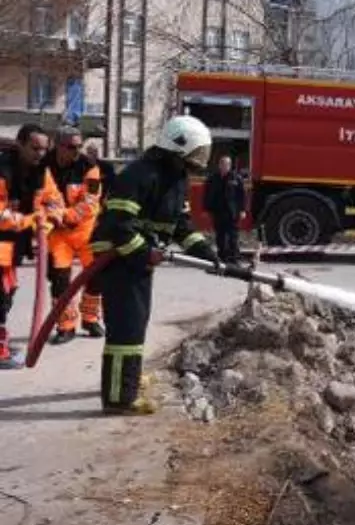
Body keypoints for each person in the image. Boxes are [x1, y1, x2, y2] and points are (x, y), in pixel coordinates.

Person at [88, 115, 221, 414]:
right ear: (178, 148)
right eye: (197, 152)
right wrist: (144, 253)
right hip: (117, 258)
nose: (201, 160)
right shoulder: (140, 175)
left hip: (136, 260)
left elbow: (181, 226)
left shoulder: (175, 180)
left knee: (136, 324)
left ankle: (128, 382)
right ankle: (120, 399)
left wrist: (207, 253)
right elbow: (117, 226)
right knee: (126, 330)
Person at [0, 124, 63, 369]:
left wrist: (47, 222)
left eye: (43, 149)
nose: (39, 154)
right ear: (20, 144)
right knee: (1, 297)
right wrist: (31, 220)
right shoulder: (3, 173)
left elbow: (55, 201)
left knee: (6, 294)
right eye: (34, 148)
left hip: (13, 247)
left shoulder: (41, 173)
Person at [45, 127, 106, 345]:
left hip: (86, 231)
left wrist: (66, 215)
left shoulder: (90, 167)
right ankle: (66, 326)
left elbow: (91, 201)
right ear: (57, 145)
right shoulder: (44, 165)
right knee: (60, 280)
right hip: (58, 234)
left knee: (96, 276)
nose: (77, 151)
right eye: (72, 147)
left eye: (79, 146)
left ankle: (90, 319)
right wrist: (53, 215)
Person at [203, 155, 246, 264]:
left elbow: (242, 196)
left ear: (230, 165)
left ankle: (235, 258)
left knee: (233, 237)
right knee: (220, 236)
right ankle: (222, 257)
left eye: (227, 164)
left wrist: (242, 210)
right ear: (219, 165)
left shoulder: (236, 178)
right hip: (218, 211)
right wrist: (206, 209)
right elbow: (207, 194)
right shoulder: (213, 178)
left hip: (232, 212)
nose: (224, 166)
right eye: (222, 164)